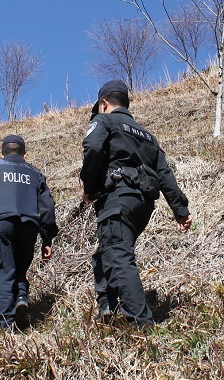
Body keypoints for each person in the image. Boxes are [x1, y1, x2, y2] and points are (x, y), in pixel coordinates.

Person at [80, 79, 192, 327]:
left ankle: (143, 325)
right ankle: (108, 305)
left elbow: (92, 148)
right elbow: (165, 173)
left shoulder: (104, 120)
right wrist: (180, 210)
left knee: (119, 255)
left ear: (104, 103)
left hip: (118, 197)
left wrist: (88, 188)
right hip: (142, 205)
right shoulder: (148, 136)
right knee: (106, 251)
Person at [0, 134, 58, 331]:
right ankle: (22, 297)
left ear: (3, 153)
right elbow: (48, 207)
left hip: (2, 224)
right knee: (20, 268)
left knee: (2, 272)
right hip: (30, 226)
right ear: (25, 155)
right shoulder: (36, 173)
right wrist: (47, 238)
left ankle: (6, 324)